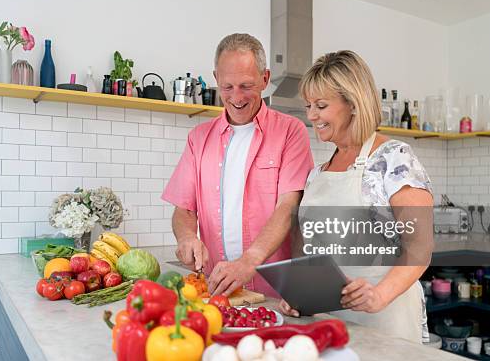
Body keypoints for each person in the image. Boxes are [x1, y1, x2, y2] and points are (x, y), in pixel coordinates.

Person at [279, 50, 434, 344]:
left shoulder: (394, 159)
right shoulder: (316, 173)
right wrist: (300, 294)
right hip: (329, 321)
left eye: (321, 105)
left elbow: (420, 245)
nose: (311, 116)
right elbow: (306, 249)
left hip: (385, 319)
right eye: (309, 105)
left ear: (352, 103)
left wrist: (379, 295)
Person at [161, 33, 314, 297]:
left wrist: (249, 261)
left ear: (265, 79)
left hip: (275, 291)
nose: (237, 97)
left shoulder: (291, 131)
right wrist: (186, 237)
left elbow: (288, 206)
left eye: (246, 86)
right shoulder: (198, 139)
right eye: (227, 87)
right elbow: (184, 208)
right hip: (217, 291)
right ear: (216, 78)